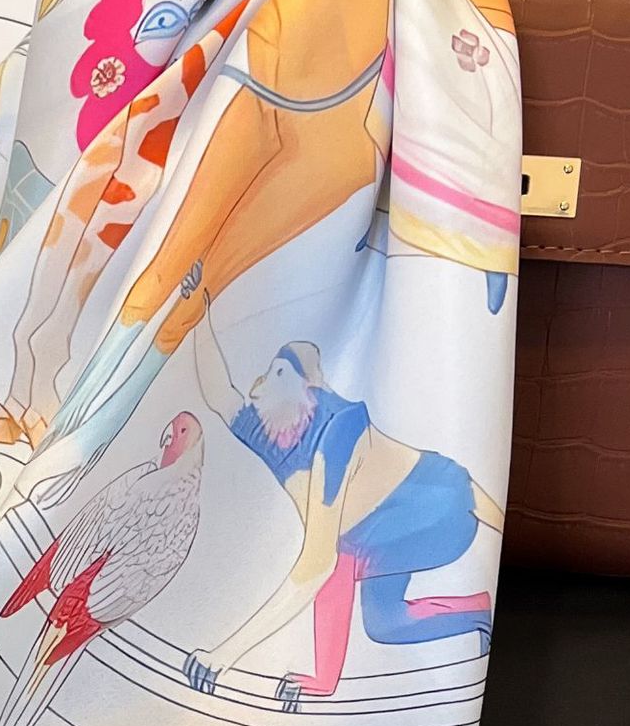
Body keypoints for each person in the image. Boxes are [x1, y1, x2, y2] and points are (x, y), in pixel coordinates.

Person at [182, 293, 500, 702]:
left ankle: (323, 679)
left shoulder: (338, 430)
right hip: (375, 532)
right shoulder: (271, 430)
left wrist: (224, 656)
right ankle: (477, 612)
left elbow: (317, 564)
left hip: (440, 509)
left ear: (308, 387)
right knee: (385, 623)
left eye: (279, 372)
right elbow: (217, 393)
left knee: (333, 553)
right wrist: (200, 311)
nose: (261, 384)